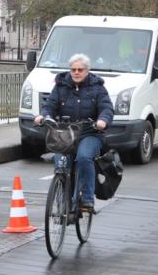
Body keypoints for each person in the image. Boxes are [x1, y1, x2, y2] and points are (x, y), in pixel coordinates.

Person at [34, 53, 114, 213]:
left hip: (90, 133)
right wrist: (43, 115)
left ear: (87, 71)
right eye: (73, 70)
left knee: (84, 157)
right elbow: (50, 105)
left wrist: (102, 120)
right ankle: (62, 203)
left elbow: (107, 108)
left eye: (80, 70)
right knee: (61, 164)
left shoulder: (97, 87)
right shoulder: (61, 86)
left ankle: (87, 200)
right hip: (65, 134)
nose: (76, 72)